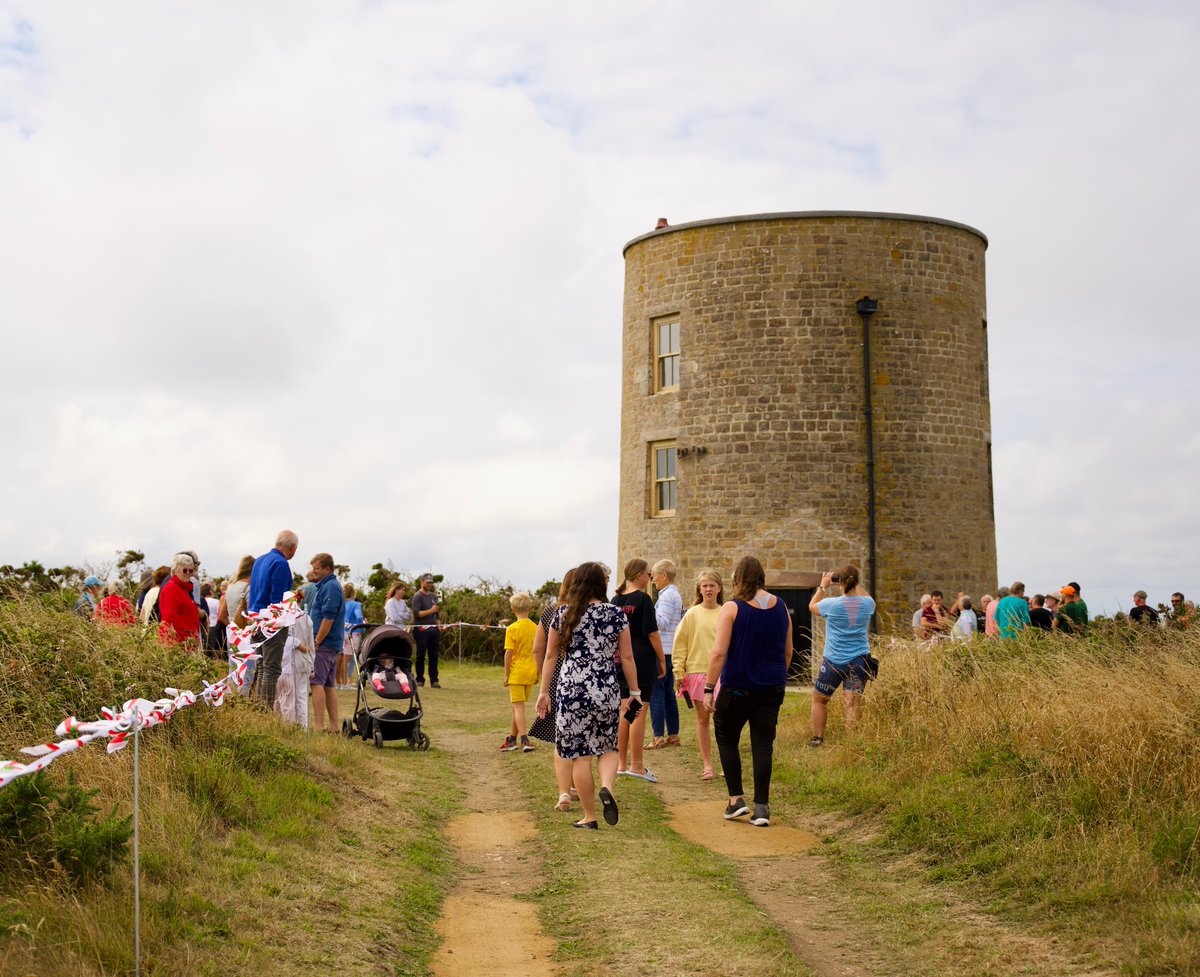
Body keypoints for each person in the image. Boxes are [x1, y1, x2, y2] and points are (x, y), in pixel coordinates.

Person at [535, 562, 638, 830]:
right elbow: (626, 656)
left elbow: (549, 656)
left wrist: (544, 692)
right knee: (608, 746)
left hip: (572, 690)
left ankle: (590, 817)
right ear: (602, 584)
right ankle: (607, 786)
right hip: (605, 687)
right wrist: (635, 691)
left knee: (580, 754)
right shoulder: (616, 614)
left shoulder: (563, 615)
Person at [705, 556, 793, 828]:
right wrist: (775, 675)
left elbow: (719, 652)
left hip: (738, 687)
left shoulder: (732, 608)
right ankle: (762, 808)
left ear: (739, 578)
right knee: (763, 745)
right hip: (772, 686)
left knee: (726, 736)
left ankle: (735, 800)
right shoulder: (781, 607)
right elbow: (788, 651)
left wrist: (709, 687)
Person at [528, 568, 579, 812]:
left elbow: (539, 649)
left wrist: (543, 677)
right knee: (580, 734)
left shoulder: (551, 612)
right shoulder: (589, 611)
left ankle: (565, 790)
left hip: (556, 675)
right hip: (581, 676)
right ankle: (575, 785)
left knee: (561, 734)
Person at [807, 564, 874, 751]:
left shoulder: (832, 604)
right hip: (860, 661)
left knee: (819, 699)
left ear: (841, 582)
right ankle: (853, 744)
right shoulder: (868, 604)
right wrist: (856, 582)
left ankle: (818, 739)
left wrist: (823, 586)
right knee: (852, 704)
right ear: (857, 582)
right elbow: (866, 596)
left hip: (833, 661)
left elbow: (811, 606)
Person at [611, 559, 666, 782]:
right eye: (648, 573)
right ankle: (637, 765)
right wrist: (662, 660)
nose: (650, 577)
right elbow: (652, 633)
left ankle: (621, 763)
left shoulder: (615, 600)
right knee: (639, 710)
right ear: (638, 575)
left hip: (619, 659)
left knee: (626, 711)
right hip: (640, 660)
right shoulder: (643, 600)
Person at [673, 568, 724, 779]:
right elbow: (680, 644)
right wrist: (678, 672)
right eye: (705, 585)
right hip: (696, 672)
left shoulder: (726, 612)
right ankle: (707, 766)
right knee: (702, 720)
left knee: (723, 721)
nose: (709, 589)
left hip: (722, 674)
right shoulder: (692, 614)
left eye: (712, 585)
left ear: (719, 588)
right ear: (699, 589)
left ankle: (726, 764)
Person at [247, 530, 299, 708]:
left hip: (255, 619)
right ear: (292, 547)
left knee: (262, 667)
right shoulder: (281, 563)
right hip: (272, 622)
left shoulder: (260, 560)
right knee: (271, 669)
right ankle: (265, 710)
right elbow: (277, 598)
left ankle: (260, 709)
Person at [648, 559, 684, 750]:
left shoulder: (667, 596)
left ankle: (658, 736)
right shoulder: (673, 594)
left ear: (664, 575)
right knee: (668, 694)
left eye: (654, 575)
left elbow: (661, 623)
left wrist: (647, 610)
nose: (653, 579)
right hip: (671, 650)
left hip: (663, 650)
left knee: (657, 694)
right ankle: (673, 735)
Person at [308, 552, 345, 733]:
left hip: (325, 644)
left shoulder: (330, 586)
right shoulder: (325, 586)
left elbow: (328, 619)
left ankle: (319, 726)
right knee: (328, 685)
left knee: (316, 683)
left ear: (327, 569)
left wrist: (316, 641)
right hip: (330, 644)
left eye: (316, 569)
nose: (313, 572)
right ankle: (334, 727)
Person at [500, 592, 539, 753]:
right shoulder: (536, 627)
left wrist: (506, 674)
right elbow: (538, 651)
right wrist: (537, 672)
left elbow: (508, 653)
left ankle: (524, 740)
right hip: (530, 671)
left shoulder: (512, 629)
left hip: (517, 672)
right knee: (517, 708)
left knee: (518, 708)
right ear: (530, 608)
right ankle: (511, 739)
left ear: (513, 608)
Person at [276, 588, 315, 727]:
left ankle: (290, 726)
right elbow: (311, 644)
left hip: (288, 661)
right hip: (304, 660)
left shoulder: (286, 617)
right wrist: (312, 666)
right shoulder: (307, 618)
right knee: (302, 696)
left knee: (288, 697)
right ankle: (303, 727)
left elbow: (287, 640)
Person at [222, 556, 256, 694]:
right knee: (247, 675)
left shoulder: (231, 587)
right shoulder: (249, 588)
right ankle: (242, 706)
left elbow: (221, 615)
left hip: (232, 635)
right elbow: (251, 615)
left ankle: (231, 705)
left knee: (233, 673)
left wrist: (233, 626)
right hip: (246, 638)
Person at [158, 553, 201, 646]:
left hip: (187, 642)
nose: (188, 573)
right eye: (185, 570)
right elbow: (170, 618)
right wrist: (189, 634)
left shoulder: (183, 589)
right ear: (175, 571)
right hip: (178, 644)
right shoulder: (171, 589)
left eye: (191, 570)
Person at [411, 574, 442, 688]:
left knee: (434, 655)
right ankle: (420, 679)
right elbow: (417, 614)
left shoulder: (433, 596)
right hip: (421, 630)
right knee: (421, 655)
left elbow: (436, 613)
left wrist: (439, 625)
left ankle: (434, 680)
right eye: (427, 582)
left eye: (431, 582)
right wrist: (431, 610)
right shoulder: (417, 596)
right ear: (422, 582)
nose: (429, 584)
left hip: (434, 630)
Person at [340, 583, 364, 690]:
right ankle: (345, 683)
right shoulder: (356, 604)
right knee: (348, 658)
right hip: (353, 633)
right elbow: (359, 617)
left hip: (341, 632)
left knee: (341, 658)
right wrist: (361, 628)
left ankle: (340, 681)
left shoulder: (341, 604)